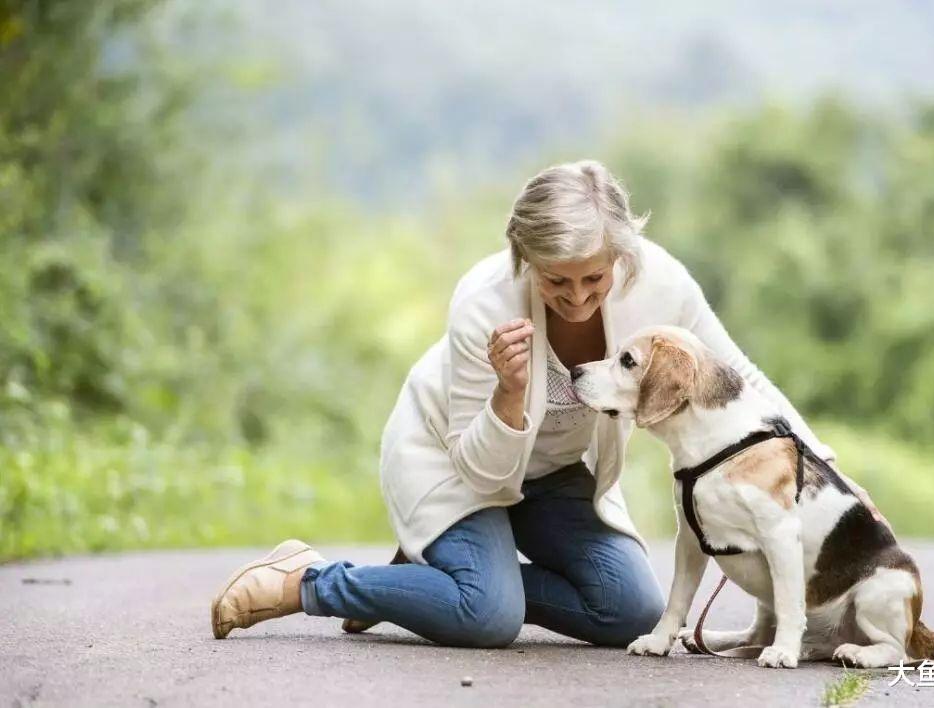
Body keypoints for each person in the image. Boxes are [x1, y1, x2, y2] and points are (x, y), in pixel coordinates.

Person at [209, 160, 882, 648]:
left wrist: (822, 468)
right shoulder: (484, 303)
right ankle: (310, 581)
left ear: (620, 255)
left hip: (553, 475)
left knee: (629, 612)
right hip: (452, 463)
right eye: (558, 281)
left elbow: (741, 378)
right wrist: (507, 396)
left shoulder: (660, 284)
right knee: (487, 618)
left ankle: (428, 587)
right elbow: (479, 471)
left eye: (595, 277)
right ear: (524, 254)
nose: (579, 297)